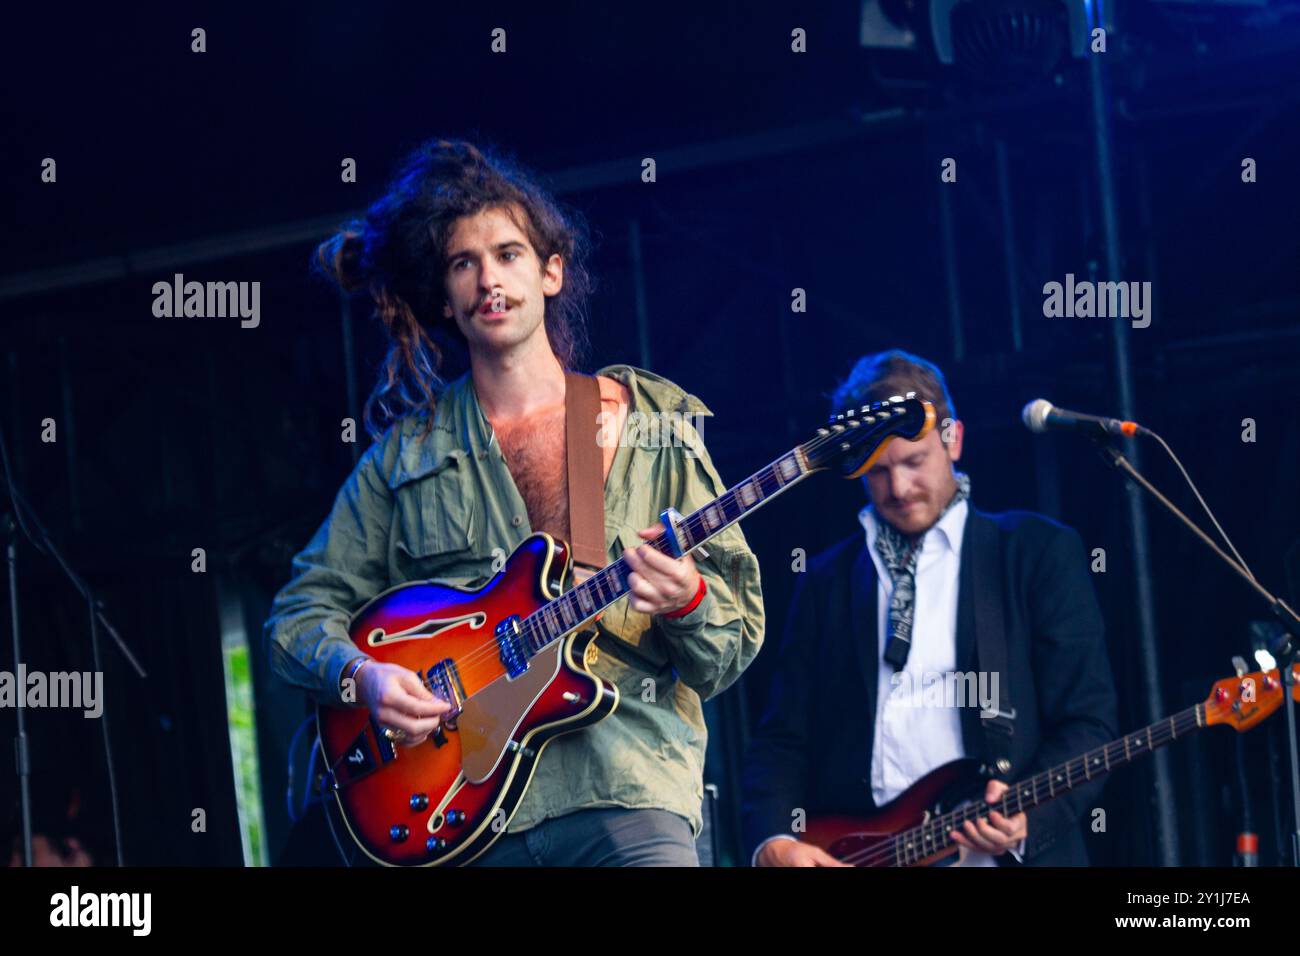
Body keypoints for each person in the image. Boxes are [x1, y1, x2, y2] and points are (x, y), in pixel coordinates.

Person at [263, 139, 764, 866]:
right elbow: (298, 614)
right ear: (445, 297)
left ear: (551, 271)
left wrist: (686, 598)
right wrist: (363, 676)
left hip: (625, 788)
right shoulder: (405, 456)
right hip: (460, 818)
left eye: (508, 254)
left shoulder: (652, 422)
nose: (488, 280)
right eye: (464, 264)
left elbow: (731, 649)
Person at [742, 349, 1117, 866]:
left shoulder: (1036, 552)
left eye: (914, 462)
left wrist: (1034, 817)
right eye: (878, 471)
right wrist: (774, 842)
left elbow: (1087, 722)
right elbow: (783, 737)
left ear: (953, 439)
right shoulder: (825, 581)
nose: (899, 488)